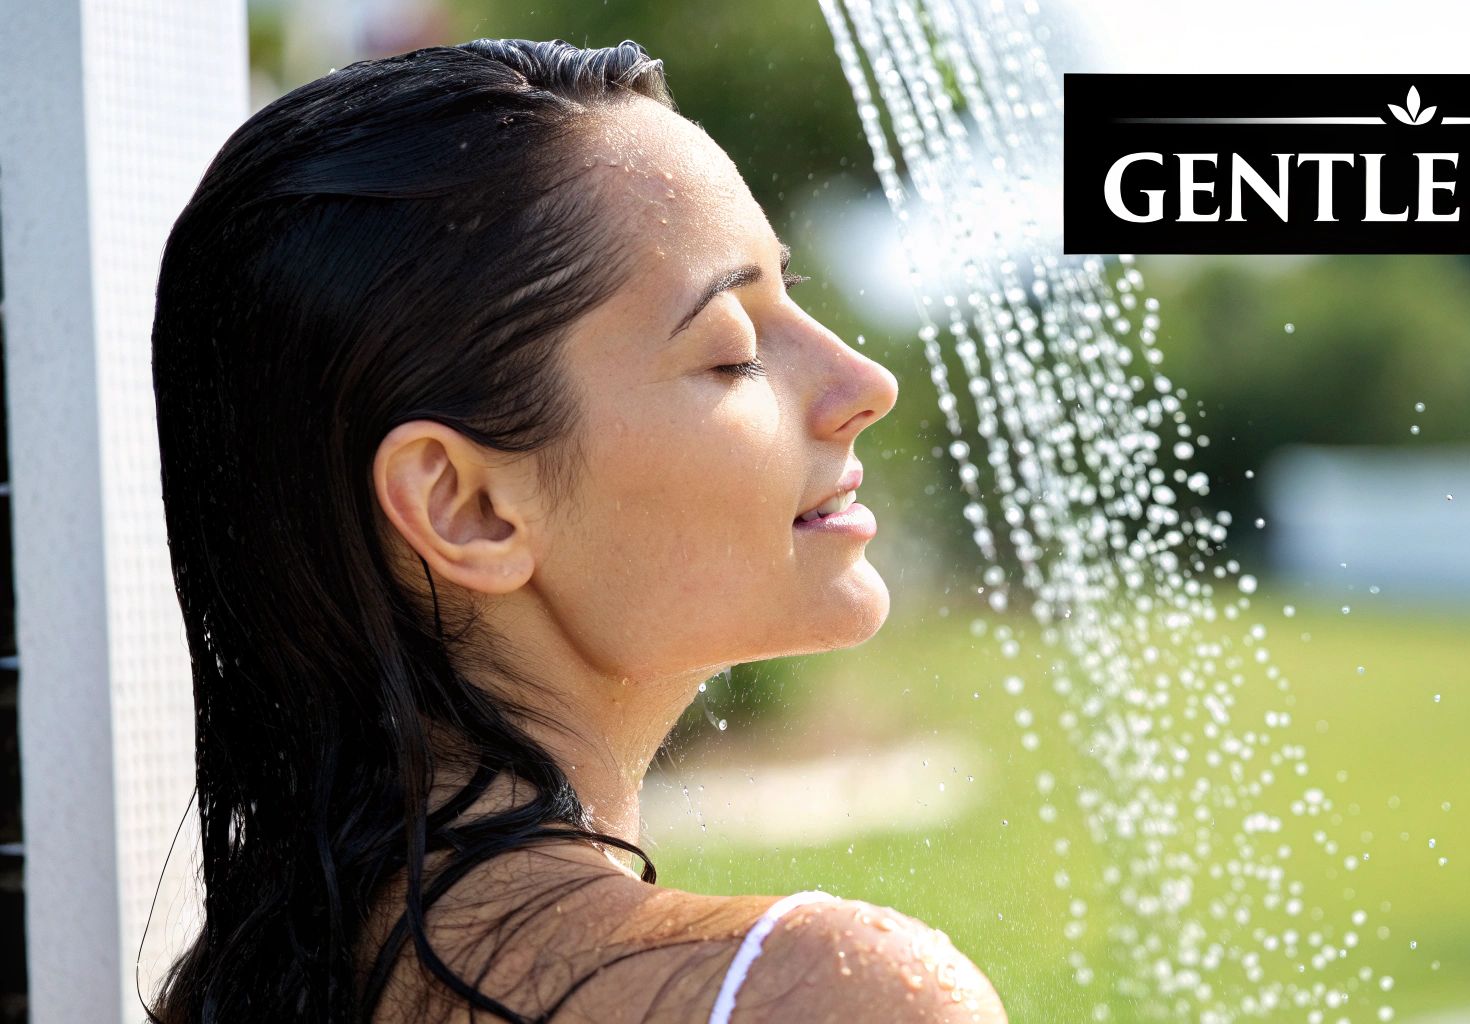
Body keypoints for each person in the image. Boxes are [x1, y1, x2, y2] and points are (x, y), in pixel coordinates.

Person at [147, 37, 1007, 1023]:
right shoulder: (815, 996)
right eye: (729, 349)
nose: (864, 385)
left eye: (793, 297)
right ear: (464, 506)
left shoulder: (227, 995)